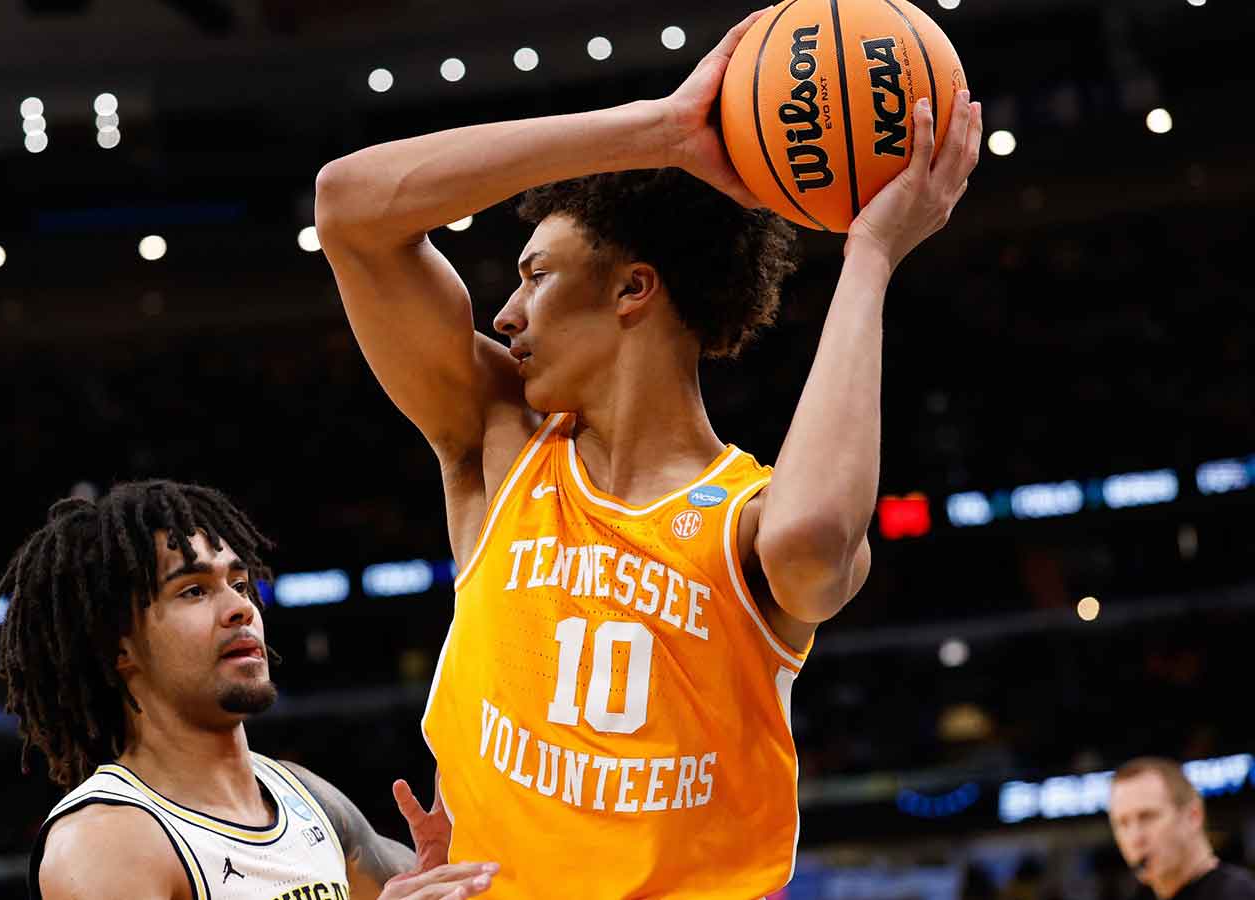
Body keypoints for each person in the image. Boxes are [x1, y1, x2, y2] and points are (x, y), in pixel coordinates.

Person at [312, 7, 981, 897]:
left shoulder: (746, 521)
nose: (504, 314)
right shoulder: (499, 441)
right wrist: (659, 129)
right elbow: (348, 207)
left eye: (536, 275)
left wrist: (869, 255)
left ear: (633, 289)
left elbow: (817, 540)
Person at [0, 480, 497, 900]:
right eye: (193, 591)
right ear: (118, 646)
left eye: (238, 582)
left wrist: (455, 870)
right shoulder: (107, 841)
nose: (240, 609)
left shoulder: (305, 797)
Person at [1109, 757, 1255, 900]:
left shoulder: (1236, 893)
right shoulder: (1141, 894)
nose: (1135, 838)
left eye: (1147, 817)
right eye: (1123, 823)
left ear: (1193, 816)